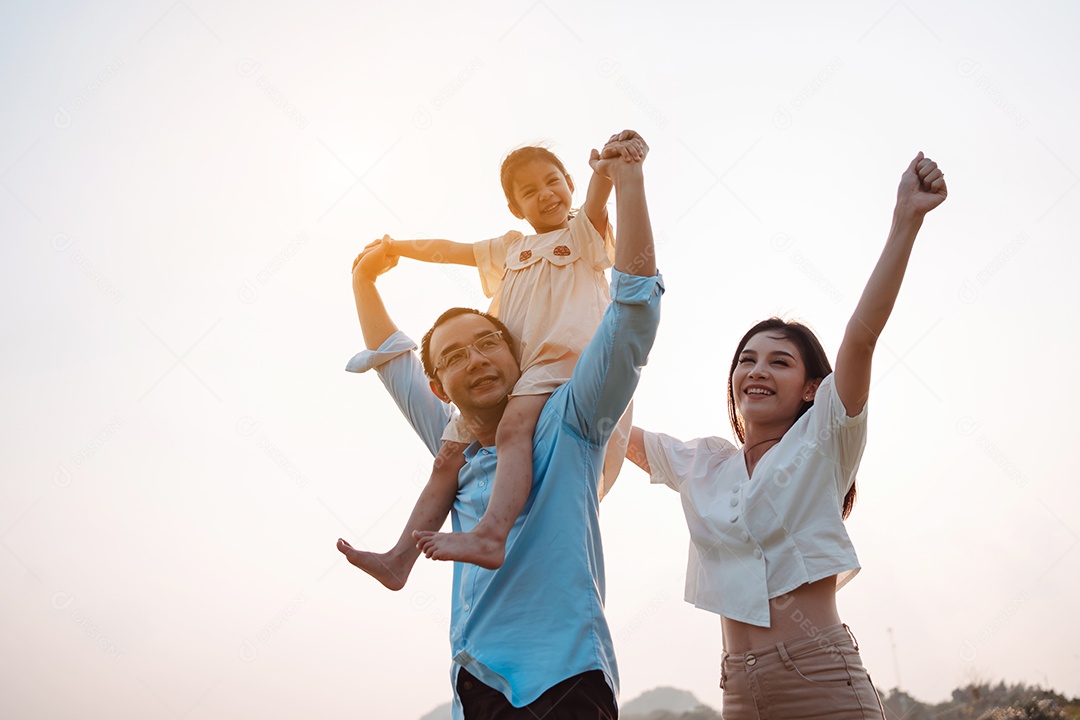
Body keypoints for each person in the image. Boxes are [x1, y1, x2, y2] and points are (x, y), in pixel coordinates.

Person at [340, 131, 661, 719]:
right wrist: (370, 273)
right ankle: (398, 559)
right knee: (446, 460)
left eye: (488, 342)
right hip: (477, 676)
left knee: (512, 431)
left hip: (564, 677)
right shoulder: (454, 437)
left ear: (515, 355)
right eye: (455, 357)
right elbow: (395, 359)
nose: (477, 360)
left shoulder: (570, 420)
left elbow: (634, 307)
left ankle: (489, 532)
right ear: (440, 386)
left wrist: (622, 177)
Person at [626, 152, 947, 719]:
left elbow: (862, 338)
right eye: (747, 359)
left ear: (809, 389)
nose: (758, 370)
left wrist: (906, 222)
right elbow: (608, 420)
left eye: (779, 362)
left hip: (819, 676)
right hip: (738, 692)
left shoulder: (825, 439)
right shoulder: (704, 463)